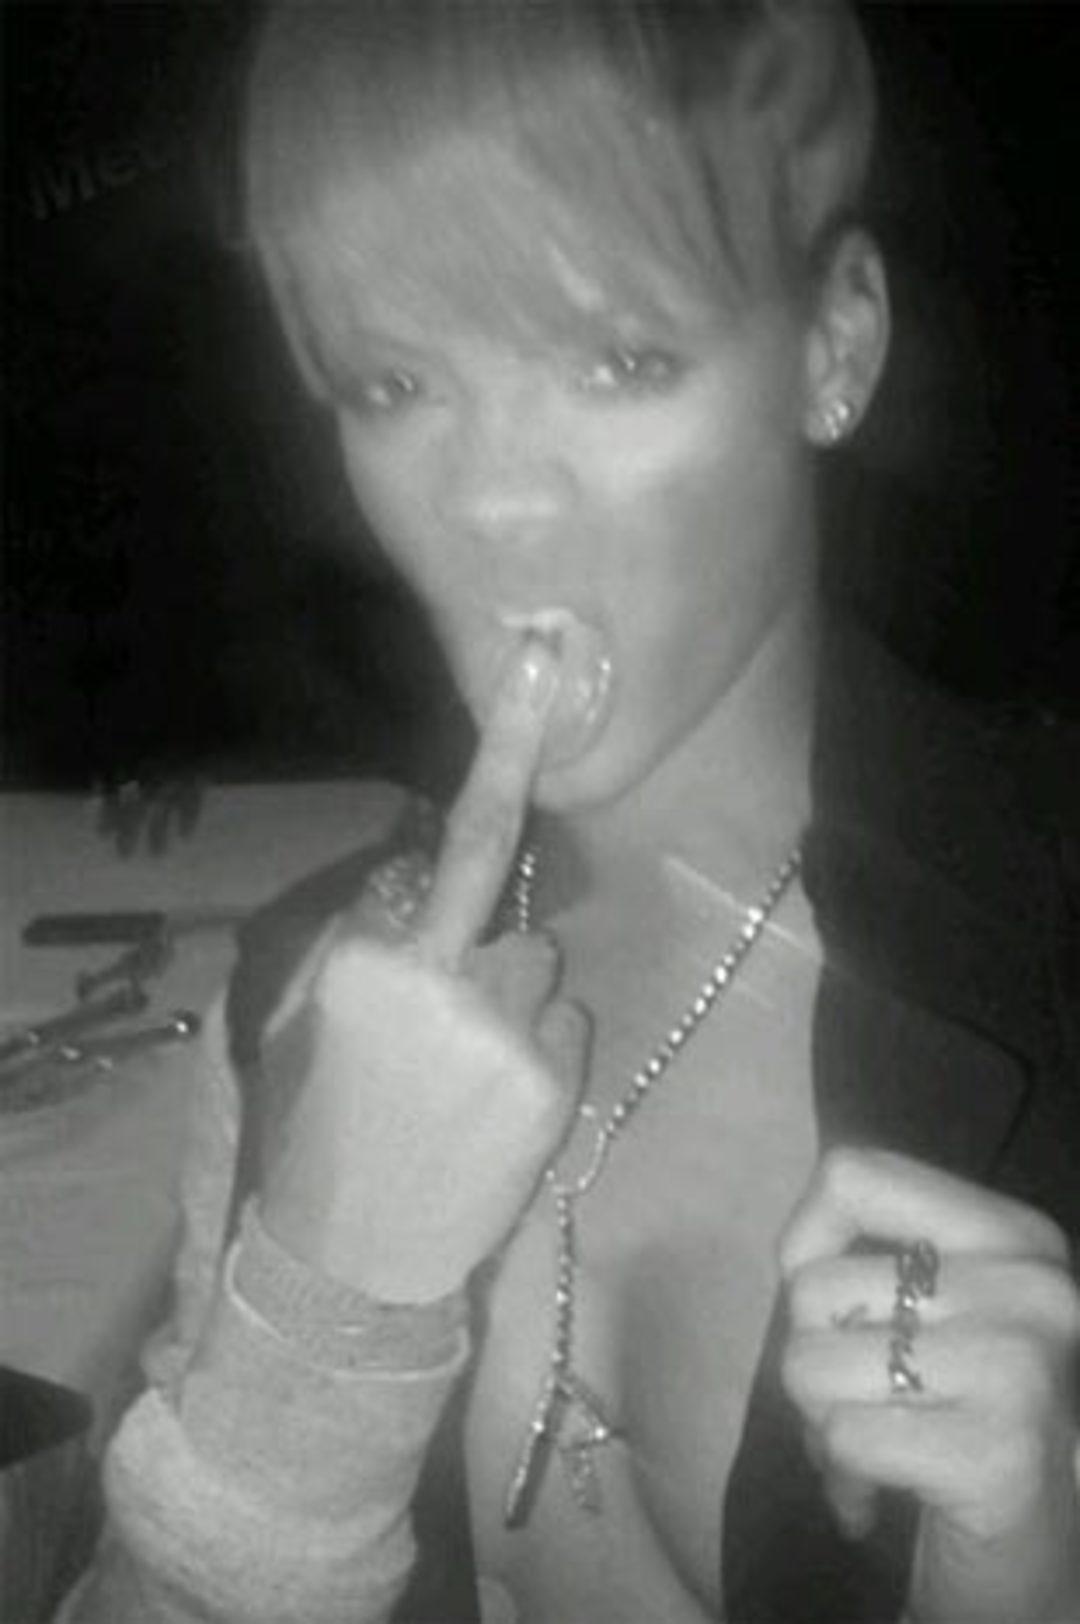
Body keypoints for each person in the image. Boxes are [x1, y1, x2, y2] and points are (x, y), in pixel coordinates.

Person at [60, 2, 1079, 1620]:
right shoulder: (303, 990)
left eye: (620, 357)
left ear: (835, 347)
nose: (495, 503)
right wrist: (323, 1307)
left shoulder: (1044, 955)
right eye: (395, 380)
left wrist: (1027, 1573)